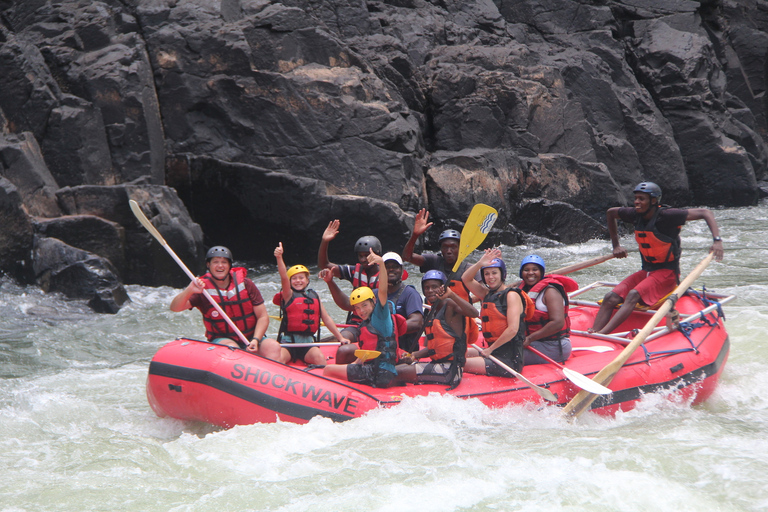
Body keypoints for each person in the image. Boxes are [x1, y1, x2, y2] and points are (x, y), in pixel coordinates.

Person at [590, 181, 724, 334]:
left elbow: (705, 213)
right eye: (636, 198)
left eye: (642, 199)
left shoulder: (668, 216)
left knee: (633, 294)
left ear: (653, 201)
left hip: (667, 274)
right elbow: (611, 213)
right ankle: (593, 331)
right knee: (610, 297)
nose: (636, 202)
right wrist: (616, 246)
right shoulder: (635, 214)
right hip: (646, 271)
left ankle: (602, 334)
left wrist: (717, 241)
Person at [169, 246, 281, 359]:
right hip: (223, 340)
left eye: (224, 262)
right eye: (215, 262)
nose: (220, 265)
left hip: (252, 337)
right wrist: (189, 290)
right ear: (208, 265)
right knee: (233, 349)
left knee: (273, 346)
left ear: (229, 265)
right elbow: (175, 308)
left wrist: (256, 339)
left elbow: (262, 316)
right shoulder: (202, 290)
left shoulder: (247, 284)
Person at [323, 250, 399, 388]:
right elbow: (368, 350)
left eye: (364, 305)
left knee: (328, 369)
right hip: (380, 372)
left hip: (377, 373)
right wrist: (352, 366)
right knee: (344, 368)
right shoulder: (365, 323)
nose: (361, 311)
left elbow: (382, 290)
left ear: (373, 301)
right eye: (357, 308)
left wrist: (381, 264)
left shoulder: (381, 315)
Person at [396, 270, 479, 388]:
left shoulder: (450, 305)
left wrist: (451, 294)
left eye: (434, 287)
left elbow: (474, 313)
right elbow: (435, 348)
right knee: (397, 365)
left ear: (443, 287)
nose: (430, 290)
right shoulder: (432, 311)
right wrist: (415, 355)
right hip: (439, 365)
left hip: (450, 370)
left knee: (395, 372)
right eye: (427, 287)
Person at [272, 242, 346, 366]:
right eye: (294, 278)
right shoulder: (288, 294)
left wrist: (340, 337)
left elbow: (326, 319)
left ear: (307, 280)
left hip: (308, 343)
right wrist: (279, 257)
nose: (298, 281)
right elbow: (284, 276)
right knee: (278, 360)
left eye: (301, 278)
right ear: (290, 282)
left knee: (320, 360)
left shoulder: (314, 296)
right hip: (289, 343)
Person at [461, 248, 531, 376]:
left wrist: (490, 350)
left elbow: (513, 330)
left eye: (494, 273)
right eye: (486, 274)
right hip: (494, 352)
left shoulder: (511, 296)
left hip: (508, 360)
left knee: (459, 362)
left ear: (502, 274)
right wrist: (480, 263)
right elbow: (466, 279)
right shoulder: (487, 294)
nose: (490, 277)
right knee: (455, 352)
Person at [317, 219, 382, 341]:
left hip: (379, 324)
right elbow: (324, 264)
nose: (363, 260)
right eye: (360, 256)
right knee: (340, 339)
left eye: (367, 255)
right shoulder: (354, 271)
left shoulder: (385, 275)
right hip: (356, 323)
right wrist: (325, 241)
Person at [402, 209, 474, 302]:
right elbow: (407, 257)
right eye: (445, 247)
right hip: (434, 313)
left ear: (460, 248)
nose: (449, 251)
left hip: (458, 314)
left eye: (453, 247)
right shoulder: (433, 261)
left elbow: (485, 292)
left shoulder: (468, 269)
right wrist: (415, 235)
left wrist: (467, 302)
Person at [518, 255, 578, 365]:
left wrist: (530, 339)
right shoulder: (522, 290)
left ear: (541, 272)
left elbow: (558, 323)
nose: (530, 273)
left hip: (554, 345)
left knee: (507, 356)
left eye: (535, 270)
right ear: (521, 273)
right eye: (526, 270)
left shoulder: (550, 291)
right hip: (535, 342)